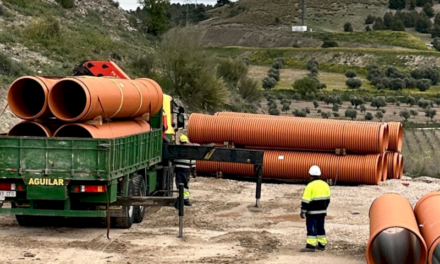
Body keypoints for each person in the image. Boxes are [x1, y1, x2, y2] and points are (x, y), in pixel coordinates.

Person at [300, 165, 331, 252]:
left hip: (312, 212)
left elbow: (305, 200)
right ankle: (322, 244)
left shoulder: (310, 186)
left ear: (310, 174)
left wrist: (303, 211)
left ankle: (311, 245)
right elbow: (328, 199)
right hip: (322, 211)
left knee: (312, 227)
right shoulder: (325, 185)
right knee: (321, 227)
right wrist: (324, 208)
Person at [174, 134, 196, 207]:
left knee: (180, 185)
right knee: (184, 185)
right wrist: (193, 172)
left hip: (179, 170)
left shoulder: (177, 149)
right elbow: (193, 162)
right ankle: (184, 199)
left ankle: (182, 199)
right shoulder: (190, 150)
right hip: (185, 170)